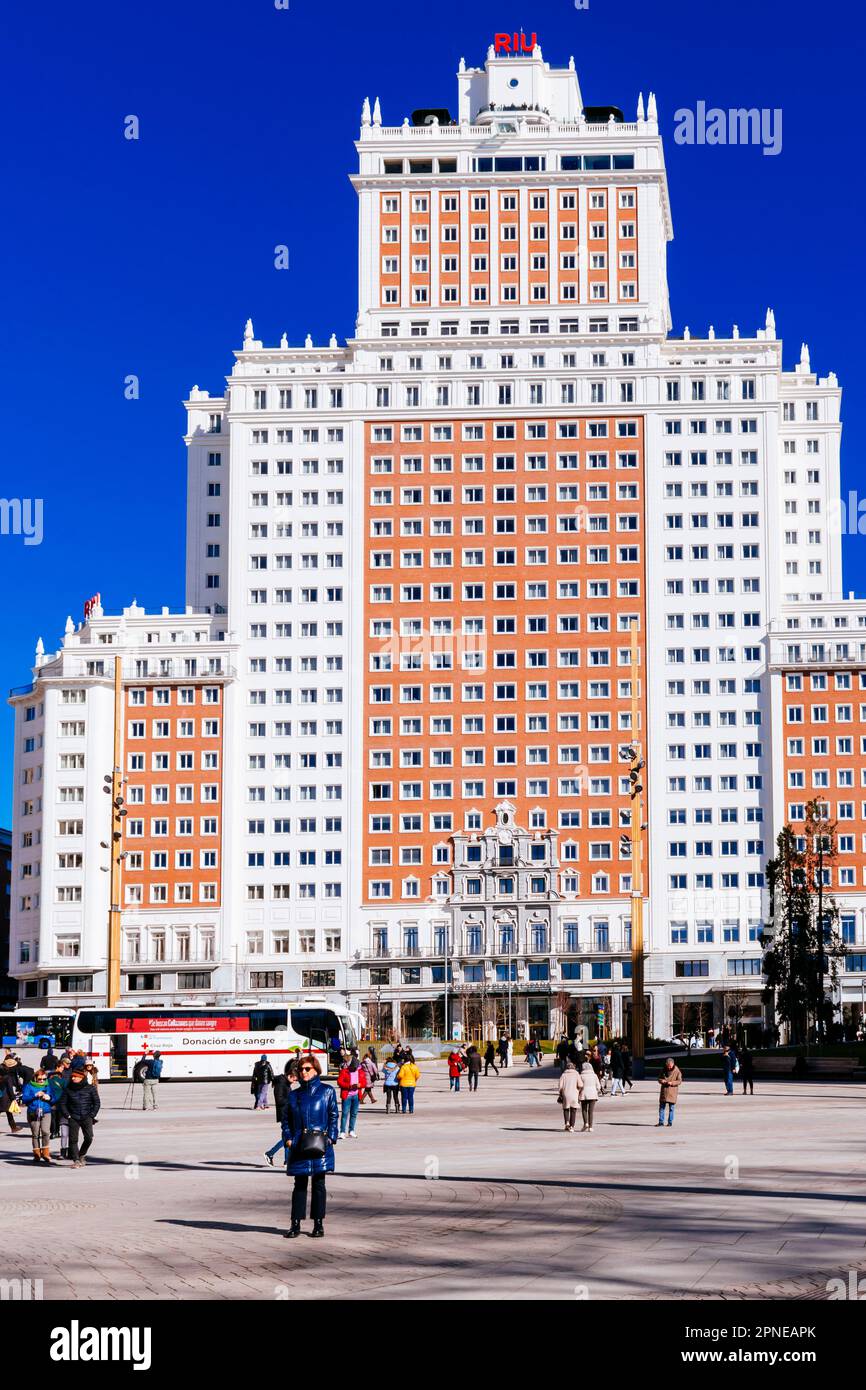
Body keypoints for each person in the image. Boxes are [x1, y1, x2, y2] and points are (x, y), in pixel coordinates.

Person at [282, 1054, 339, 1239]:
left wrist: (331, 1137)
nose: (303, 1072)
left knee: (319, 1185)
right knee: (299, 1185)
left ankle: (318, 1224)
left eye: (307, 1069)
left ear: (316, 1070)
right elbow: (286, 1121)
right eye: (301, 1069)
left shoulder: (327, 1091)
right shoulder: (293, 1095)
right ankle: (295, 1223)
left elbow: (333, 1115)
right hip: (299, 1145)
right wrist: (288, 1138)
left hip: (320, 1144)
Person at [60, 1066, 101, 1167]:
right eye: (72, 1076)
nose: (73, 1078)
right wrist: (68, 1115)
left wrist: (92, 1115)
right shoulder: (68, 1089)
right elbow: (62, 1104)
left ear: (81, 1078)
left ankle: (82, 1154)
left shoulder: (90, 1088)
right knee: (73, 1140)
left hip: (87, 1116)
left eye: (75, 1077)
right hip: (73, 1117)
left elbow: (97, 1103)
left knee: (89, 1138)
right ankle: (76, 1160)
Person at [265, 1058, 298, 1166]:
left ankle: (282, 1159)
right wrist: (292, 1100)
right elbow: (279, 1100)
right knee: (288, 1137)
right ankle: (277, 1156)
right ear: (290, 1076)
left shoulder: (286, 1083)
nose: (294, 1082)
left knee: (287, 1137)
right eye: (294, 1080)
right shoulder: (281, 1084)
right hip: (284, 1113)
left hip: (288, 1112)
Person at [22, 1069, 54, 1165]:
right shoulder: (29, 1086)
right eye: (39, 1079)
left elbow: (54, 1098)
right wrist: (34, 1095)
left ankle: (45, 1153)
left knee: (46, 1131)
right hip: (33, 1112)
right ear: (35, 1078)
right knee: (35, 1134)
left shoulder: (48, 1085)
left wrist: (50, 1097)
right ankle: (36, 1154)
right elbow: (24, 1099)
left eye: (44, 1079)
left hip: (46, 1111)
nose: (42, 1081)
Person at [337, 1055, 363, 1137]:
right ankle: (342, 1132)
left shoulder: (360, 1071)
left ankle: (351, 1130)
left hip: (356, 1095)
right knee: (344, 1113)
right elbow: (339, 1082)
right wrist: (350, 1086)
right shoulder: (344, 1071)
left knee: (354, 1114)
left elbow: (364, 1082)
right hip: (347, 1095)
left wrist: (360, 1085)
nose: (355, 1068)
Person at [658, 1057, 682, 1127]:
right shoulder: (663, 1069)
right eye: (668, 1066)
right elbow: (659, 1078)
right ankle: (661, 1122)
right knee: (661, 1108)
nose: (669, 1068)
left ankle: (670, 1122)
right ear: (666, 1064)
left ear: (673, 1064)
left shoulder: (677, 1071)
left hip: (672, 1092)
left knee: (671, 1108)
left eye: (670, 1066)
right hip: (664, 1092)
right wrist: (661, 1081)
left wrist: (672, 1083)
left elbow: (679, 1081)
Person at [557, 1060, 581, 1132]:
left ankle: (567, 1122)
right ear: (574, 1067)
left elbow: (560, 1086)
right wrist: (578, 1089)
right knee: (573, 1110)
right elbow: (580, 1084)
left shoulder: (563, 1075)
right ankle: (571, 1127)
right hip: (574, 1094)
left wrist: (560, 1092)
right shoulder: (576, 1074)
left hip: (566, 1094)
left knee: (566, 1108)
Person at [0, 1059, 21, 1134]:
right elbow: (10, 1089)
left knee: (8, 1112)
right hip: (5, 1097)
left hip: (1, 1096)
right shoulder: (7, 1077)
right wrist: (13, 1098)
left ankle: (14, 1127)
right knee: (9, 1111)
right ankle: (14, 1128)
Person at [578, 1060, 600, 1132]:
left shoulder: (581, 1076)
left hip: (584, 1094)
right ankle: (590, 1127)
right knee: (591, 1111)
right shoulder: (594, 1075)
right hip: (593, 1094)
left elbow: (579, 1085)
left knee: (584, 1109)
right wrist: (596, 1091)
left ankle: (585, 1123)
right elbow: (598, 1086)